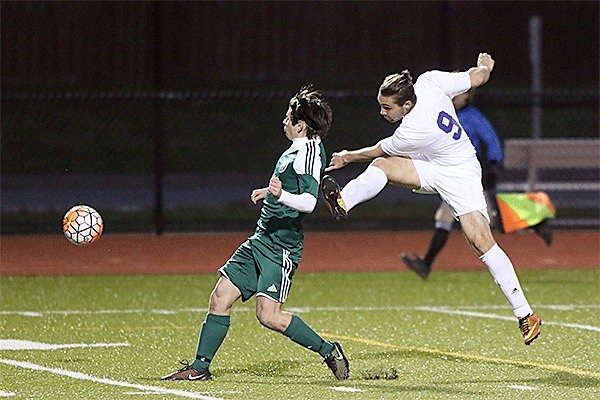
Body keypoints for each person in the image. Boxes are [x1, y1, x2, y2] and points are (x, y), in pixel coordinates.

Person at [320, 53, 542, 345]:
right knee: (383, 168)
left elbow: (377, 149)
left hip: (461, 172)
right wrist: (486, 66)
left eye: (387, 108)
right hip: (433, 166)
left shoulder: (411, 131)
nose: (382, 112)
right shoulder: (430, 81)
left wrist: (348, 156)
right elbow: (476, 78)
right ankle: (343, 202)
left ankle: (525, 314)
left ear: (407, 105)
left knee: (481, 241)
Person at [162, 86, 349, 381]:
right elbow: (288, 190)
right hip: (261, 237)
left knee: (269, 316)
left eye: (288, 117)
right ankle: (199, 368)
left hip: (281, 246)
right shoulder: (298, 149)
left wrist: (281, 194)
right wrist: (271, 193)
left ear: (300, 125)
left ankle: (329, 350)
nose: (284, 121)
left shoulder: (309, 152)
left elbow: (309, 203)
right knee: (220, 297)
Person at [401, 89, 554, 280]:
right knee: (461, 217)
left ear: (467, 96)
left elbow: (491, 140)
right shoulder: (444, 113)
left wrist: (492, 166)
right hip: (452, 176)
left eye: (458, 93)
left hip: (467, 176)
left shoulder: (472, 116)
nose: (453, 96)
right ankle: (426, 263)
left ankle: (536, 220)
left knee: (485, 219)